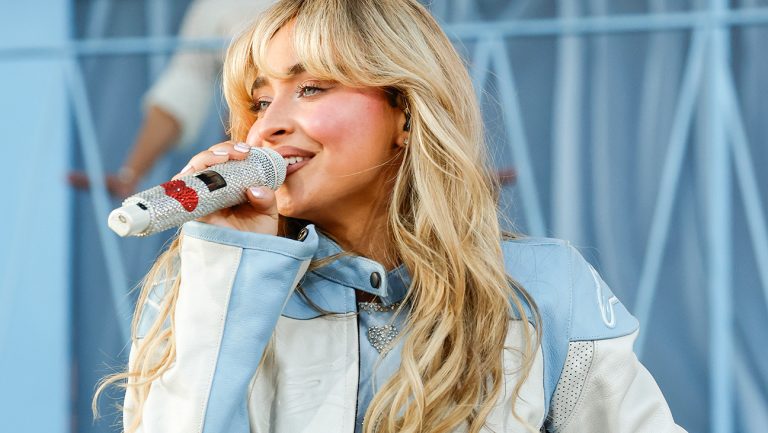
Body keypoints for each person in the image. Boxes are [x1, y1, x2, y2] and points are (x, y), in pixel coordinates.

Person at [95, 0, 687, 432]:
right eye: (257, 99)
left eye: (312, 88)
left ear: (405, 112)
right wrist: (229, 273)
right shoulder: (201, 283)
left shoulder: (547, 286)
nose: (266, 125)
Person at [69, 0, 274, 198]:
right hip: (253, 168)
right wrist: (129, 176)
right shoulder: (215, 7)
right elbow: (187, 83)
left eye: (308, 89)